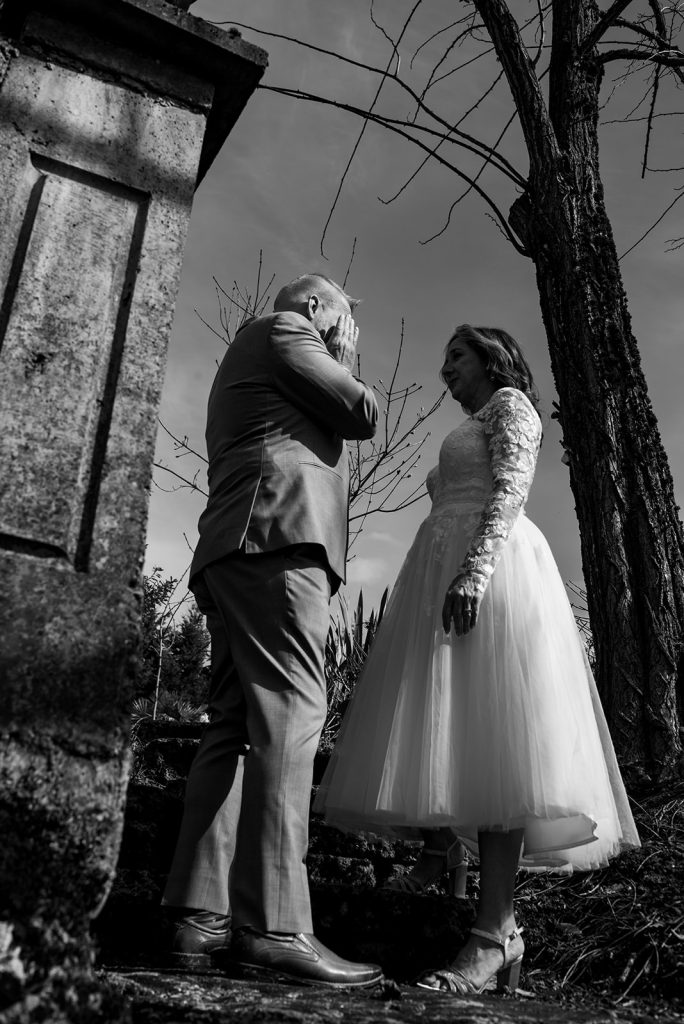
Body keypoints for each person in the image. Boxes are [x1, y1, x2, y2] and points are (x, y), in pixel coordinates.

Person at [314, 324, 640, 995]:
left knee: (498, 743)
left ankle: (495, 930)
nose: (445, 370)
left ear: (493, 360)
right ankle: (442, 854)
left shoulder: (511, 407)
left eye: (456, 356)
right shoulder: (475, 422)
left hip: (491, 574)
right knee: (445, 725)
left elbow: (511, 489)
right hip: (440, 570)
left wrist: (476, 571)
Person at [162, 274, 383, 988]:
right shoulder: (287, 330)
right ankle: (275, 925)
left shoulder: (246, 353)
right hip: (278, 542)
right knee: (292, 715)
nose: (346, 328)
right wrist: (342, 352)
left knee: (232, 724)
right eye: (343, 315)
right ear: (318, 306)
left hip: (234, 547)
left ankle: (199, 916)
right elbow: (361, 411)